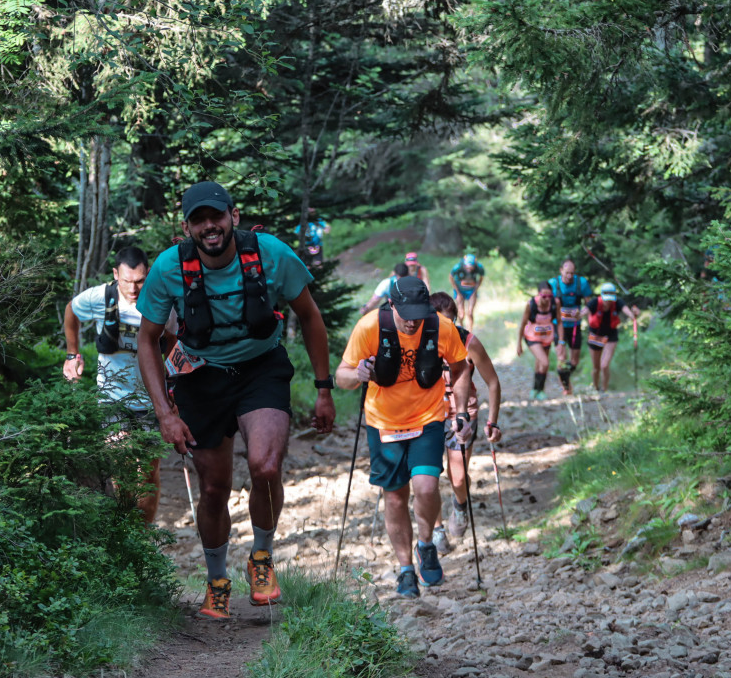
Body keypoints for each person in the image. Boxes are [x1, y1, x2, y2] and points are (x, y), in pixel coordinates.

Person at [135, 181, 336, 621]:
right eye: (199, 220)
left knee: (265, 465)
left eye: (217, 217)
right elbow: (147, 341)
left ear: (234, 217)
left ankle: (261, 558)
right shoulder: (170, 268)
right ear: (187, 227)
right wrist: (165, 414)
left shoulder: (271, 254)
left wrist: (324, 389)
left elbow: (310, 316)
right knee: (213, 489)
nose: (210, 226)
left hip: (260, 369)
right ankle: (217, 581)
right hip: (200, 379)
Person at [335, 276, 471, 598]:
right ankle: (406, 569)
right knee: (395, 497)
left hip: (427, 418)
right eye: (405, 312)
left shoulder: (440, 327)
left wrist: (461, 411)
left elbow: (461, 367)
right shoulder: (370, 327)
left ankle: (426, 545)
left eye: (418, 313)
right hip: (383, 423)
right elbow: (341, 375)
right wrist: (357, 375)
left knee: (426, 486)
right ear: (391, 304)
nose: (412, 321)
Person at [63, 246, 168, 524]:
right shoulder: (101, 296)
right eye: (126, 281)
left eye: (139, 281)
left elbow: (175, 340)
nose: (133, 288)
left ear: (148, 274)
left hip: (151, 400)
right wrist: (72, 354)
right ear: (115, 275)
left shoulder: (160, 301)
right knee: (121, 467)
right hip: (112, 397)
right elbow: (71, 311)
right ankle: (126, 532)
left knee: (148, 473)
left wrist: (175, 386)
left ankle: (144, 535)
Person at [427, 292, 502, 555]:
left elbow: (492, 382)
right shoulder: (420, 341)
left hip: (462, 412)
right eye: (437, 322)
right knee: (428, 475)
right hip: (428, 412)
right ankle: (436, 531)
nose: (443, 328)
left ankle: (460, 505)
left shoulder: (468, 342)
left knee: (457, 477)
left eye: (448, 322)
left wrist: (493, 420)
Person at [585, 282, 639, 393]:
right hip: (595, 335)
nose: (608, 302)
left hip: (611, 336)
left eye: (610, 299)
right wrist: (576, 314)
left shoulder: (618, 302)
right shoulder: (594, 302)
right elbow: (583, 311)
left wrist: (634, 314)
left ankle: (604, 390)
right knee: (596, 368)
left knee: (604, 365)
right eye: (606, 299)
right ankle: (595, 388)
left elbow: (629, 313)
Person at [549, 258, 591, 395]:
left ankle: (564, 377)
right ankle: (566, 388)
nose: (569, 276)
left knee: (574, 360)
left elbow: (589, 305)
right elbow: (545, 305)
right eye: (567, 273)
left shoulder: (581, 283)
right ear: (561, 271)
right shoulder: (553, 284)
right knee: (561, 357)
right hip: (558, 325)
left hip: (575, 325)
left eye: (572, 273)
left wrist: (582, 314)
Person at [516, 282, 559, 400]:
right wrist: (519, 344)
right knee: (545, 362)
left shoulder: (555, 303)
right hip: (532, 337)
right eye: (544, 296)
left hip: (547, 337)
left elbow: (559, 322)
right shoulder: (531, 305)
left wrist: (561, 340)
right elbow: (522, 324)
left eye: (549, 296)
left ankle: (536, 390)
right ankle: (540, 390)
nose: (547, 299)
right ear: (539, 294)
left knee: (540, 364)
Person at [448, 253, 485, 331]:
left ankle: (470, 331)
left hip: (471, 290)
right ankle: (461, 328)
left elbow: (481, 277)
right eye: (467, 267)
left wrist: (475, 289)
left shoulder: (479, 267)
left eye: (471, 268)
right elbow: (451, 277)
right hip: (460, 290)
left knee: (470, 312)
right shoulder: (458, 267)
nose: (469, 269)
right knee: (461, 314)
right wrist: (458, 292)